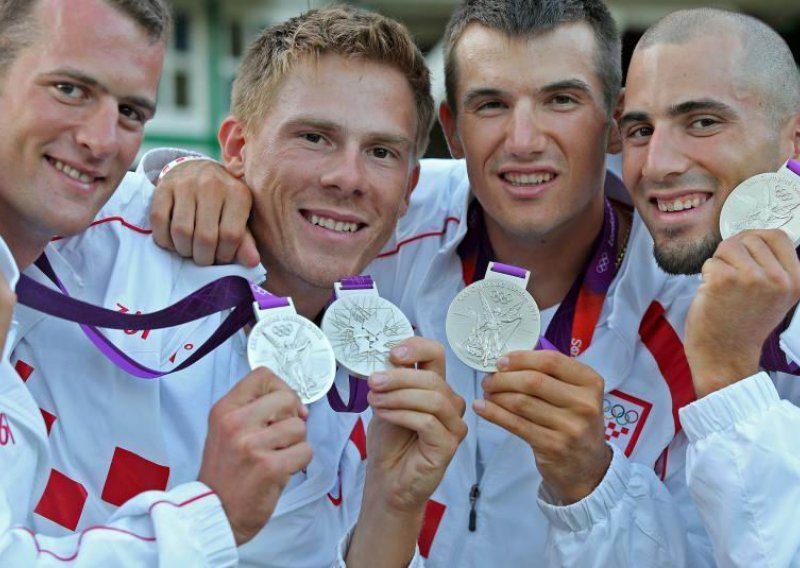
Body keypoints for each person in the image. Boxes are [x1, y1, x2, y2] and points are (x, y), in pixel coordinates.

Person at [148, 1, 726, 565]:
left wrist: (593, 483)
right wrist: (186, 175)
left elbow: (728, 552)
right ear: (452, 129)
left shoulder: (694, 305)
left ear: (615, 122)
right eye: (492, 104)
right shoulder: (378, 219)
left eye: (561, 100)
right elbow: (273, 195)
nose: (524, 140)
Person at [8, 5, 466, 567]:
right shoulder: (83, 240)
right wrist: (175, 171)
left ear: (408, 187)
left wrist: (393, 507)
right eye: (315, 137)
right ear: (236, 149)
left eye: (381, 152)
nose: (347, 178)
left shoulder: (381, 385)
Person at [0, 0, 270, 564]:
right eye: (70, 89)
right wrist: (208, 520)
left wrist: (185, 171)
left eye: (129, 112)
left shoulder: (49, 250)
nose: (102, 141)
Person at [620, 8, 800, 566]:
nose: (658, 164)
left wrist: (727, 378)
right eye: (639, 130)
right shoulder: (657, 292)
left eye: (702, 122)